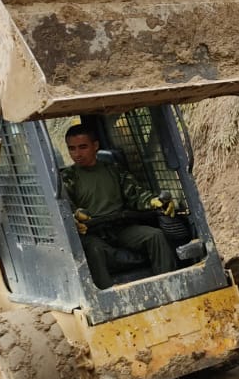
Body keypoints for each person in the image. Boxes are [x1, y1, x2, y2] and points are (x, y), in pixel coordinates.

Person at [61, 123, 179, 288]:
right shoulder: (68, 177)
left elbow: (135, 195)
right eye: (72, 149)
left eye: (82, 147)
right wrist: (75, 216)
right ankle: (107, 299)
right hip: (93, 233)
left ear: (95, 146)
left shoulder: (114, 170)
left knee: (155, 236)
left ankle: (170, 285)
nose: (77, 154)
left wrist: (153, 201)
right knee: (93, 249)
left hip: (121, 228)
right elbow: (66, 207)